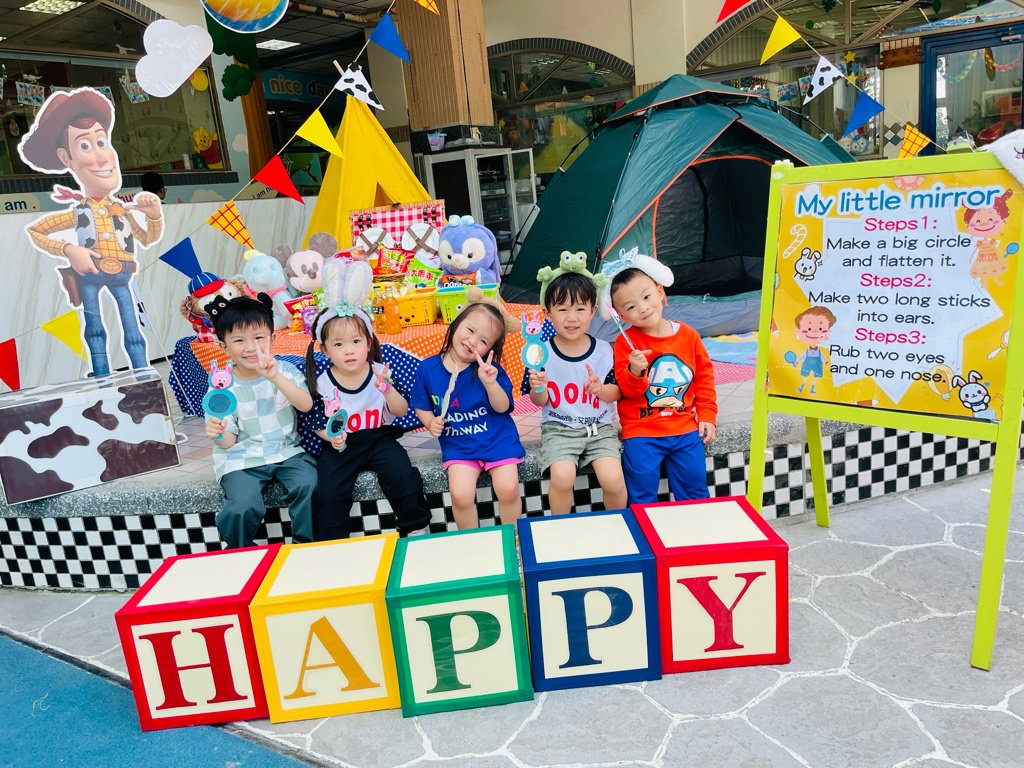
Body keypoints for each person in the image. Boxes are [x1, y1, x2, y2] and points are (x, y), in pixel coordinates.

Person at [19, 87, 163, 377]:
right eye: (85, 146)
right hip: (90, 275)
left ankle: (142, 376)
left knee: (132, 328)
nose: (101, 157)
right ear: (66, 158)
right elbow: (36, 231)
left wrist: (154, 217)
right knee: (94, 328)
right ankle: (102, 378)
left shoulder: (122, 211)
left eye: (102, 142)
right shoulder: (78, 213)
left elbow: (147, 238)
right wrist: (69, 250)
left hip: (122, 273)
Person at [304, 303, 432, 541]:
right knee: (329, 492)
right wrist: (331, 437)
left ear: (369, 343)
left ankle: (415, 528)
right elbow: (318, 422)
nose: (349, 350)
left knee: (402, 476)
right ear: (325, 350)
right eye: (338, 344)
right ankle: (333, 541)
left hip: (379, 439)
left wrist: (387, 390)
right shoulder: (323, 383)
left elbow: (401, 410)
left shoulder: (382, 372)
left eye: (356, 341)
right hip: (342, 445)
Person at [203, 293, 317, 549]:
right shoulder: (221, 386)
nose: (250, 347)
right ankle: (241, 549)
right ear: (224, 347)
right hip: (242, 459)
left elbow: (306, 404)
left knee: (307, 484)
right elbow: (227, 442)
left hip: (287, 452)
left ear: (272, 339)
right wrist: (217, 432)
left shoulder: (285, 371)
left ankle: (305, 546)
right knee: (241, 505)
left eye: (258, 338)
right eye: (239, 340)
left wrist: (274, 377)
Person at [411, 292, 524, 528]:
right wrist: (430, 422)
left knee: (509, 489)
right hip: (459, 446)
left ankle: (513, 537)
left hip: (497, 441)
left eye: (483, 341)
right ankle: (471, 539)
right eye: (470, 330)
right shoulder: (428, 368)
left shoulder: (491, 372)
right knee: (461, 495)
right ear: (456, 324)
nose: (472, 341)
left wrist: (490, 384)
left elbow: (503, 407)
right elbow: (421, 405)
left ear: (491, 349)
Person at [609, 262, 717, 504]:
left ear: (660, 292)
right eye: (631, 307)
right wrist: (635, 371)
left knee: (695, 485)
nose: (643, 308)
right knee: (641, 491)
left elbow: (704, 377)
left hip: (684, 428)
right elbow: (627, 391)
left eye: (647, 296)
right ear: (622, 316)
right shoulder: (625, 343)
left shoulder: (688, 336)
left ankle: (698, 525)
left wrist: (707, 414)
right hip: (641, 430)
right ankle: (643, 527)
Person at [528, 271, 627, 515]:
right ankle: (560, 525)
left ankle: (619, 522)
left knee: (614, 479)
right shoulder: (540, 353)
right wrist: (539, 386)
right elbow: (539, 400)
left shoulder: (604, 351)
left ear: (593, 311)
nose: (571, 318)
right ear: (547, 313)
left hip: (599, 428)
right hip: (559, 428)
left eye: (580, 309)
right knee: (562, 477)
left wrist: (601, 389)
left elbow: (617, 392)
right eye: (562, 309)